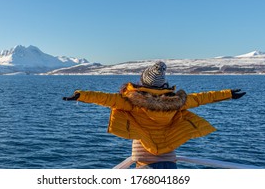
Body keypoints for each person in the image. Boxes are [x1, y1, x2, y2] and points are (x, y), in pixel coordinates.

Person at [63, 61, 246, 169]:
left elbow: (105, 99)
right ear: (163, 84)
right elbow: (202, 98)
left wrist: (81, 95)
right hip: (168, 160)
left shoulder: (132, 101)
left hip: (143, 160)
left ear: (142, 81)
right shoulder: (176, 101)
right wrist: (228, 94)